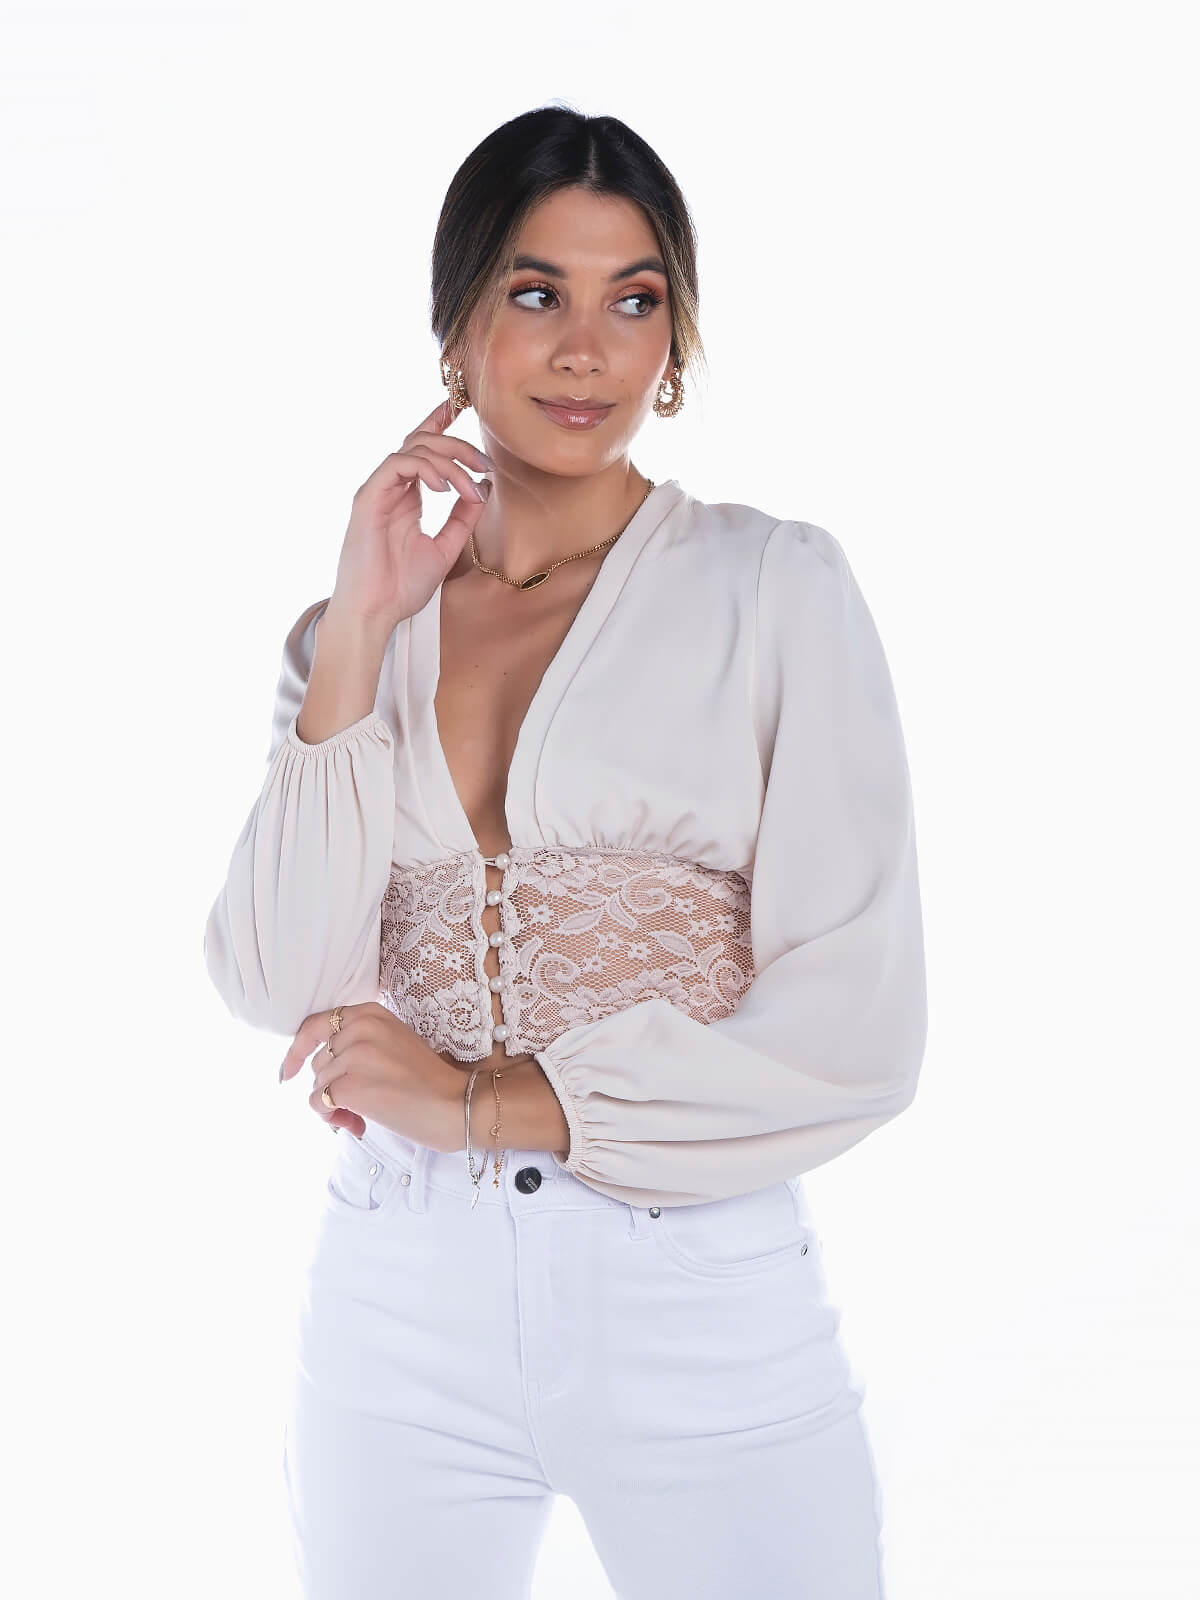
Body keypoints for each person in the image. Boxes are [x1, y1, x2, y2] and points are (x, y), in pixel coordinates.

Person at [203, 103, 927, 1600]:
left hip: (698, 1297)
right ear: (456, 328)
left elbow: (857, 1031)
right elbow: (278, 979)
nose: (587, 350)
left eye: (634, 299)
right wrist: (361, 622)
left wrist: (473, 1100)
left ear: (675, 340)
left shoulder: (772, 589)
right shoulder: (351, 635)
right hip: (396, 1301)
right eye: (537, 294)